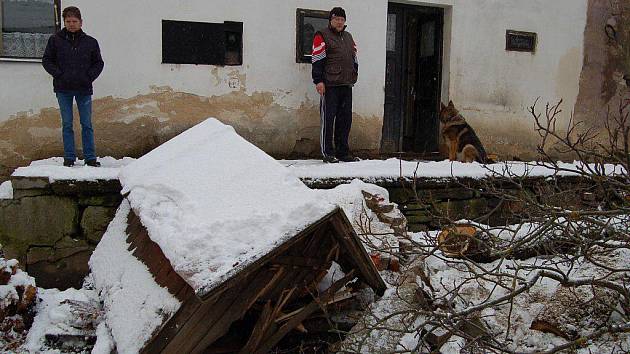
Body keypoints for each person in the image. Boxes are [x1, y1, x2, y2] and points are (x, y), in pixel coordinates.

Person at [42, 6, 104, 167]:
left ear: (81, 22)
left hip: (83, 88)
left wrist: (88, 76)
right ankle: (69, 157)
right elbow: (47, 60)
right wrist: (59, 74)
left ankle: (90, 157)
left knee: (86, 124)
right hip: (63, 88)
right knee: (67, 123)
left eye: (74, 21)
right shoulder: (55, 40)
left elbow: (98, 63)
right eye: (68, 21)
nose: (71, 24)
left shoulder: (90, 42)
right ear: (64, 22)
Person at [312, 7, 359, 163]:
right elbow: (317, 59)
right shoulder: (322, 35)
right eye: (336, 19)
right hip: (330, 85)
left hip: (346, 85)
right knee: (328, 119)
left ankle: (343, 152)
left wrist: (354, 73)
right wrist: (318, 81)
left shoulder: (349, 36)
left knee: (345, 120)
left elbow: (354, 58)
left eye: (342, 19)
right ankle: (327, 153)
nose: (339, 22)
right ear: (330, 20)